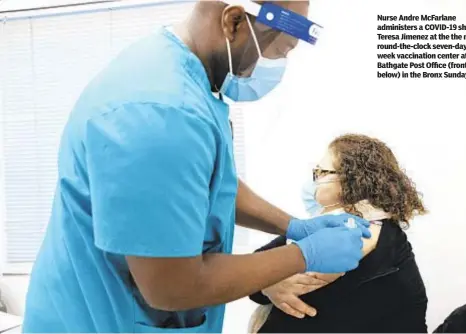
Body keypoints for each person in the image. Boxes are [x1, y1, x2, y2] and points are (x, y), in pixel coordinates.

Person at [22, 1, 372, 333]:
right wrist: (302, 255)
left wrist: (293, 226)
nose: (276, 65)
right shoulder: (162, 112)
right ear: (234, 22)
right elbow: (172, 286)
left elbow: (208, 183)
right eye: (279, 50)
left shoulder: (181, 75)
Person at [249, 134, 429, 333]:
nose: (314, 180)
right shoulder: (323, 227)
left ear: (352, 180)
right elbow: (254, 272)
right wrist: (268, 285)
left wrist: (268, 282)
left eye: (321, 172)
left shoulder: (373, 242)